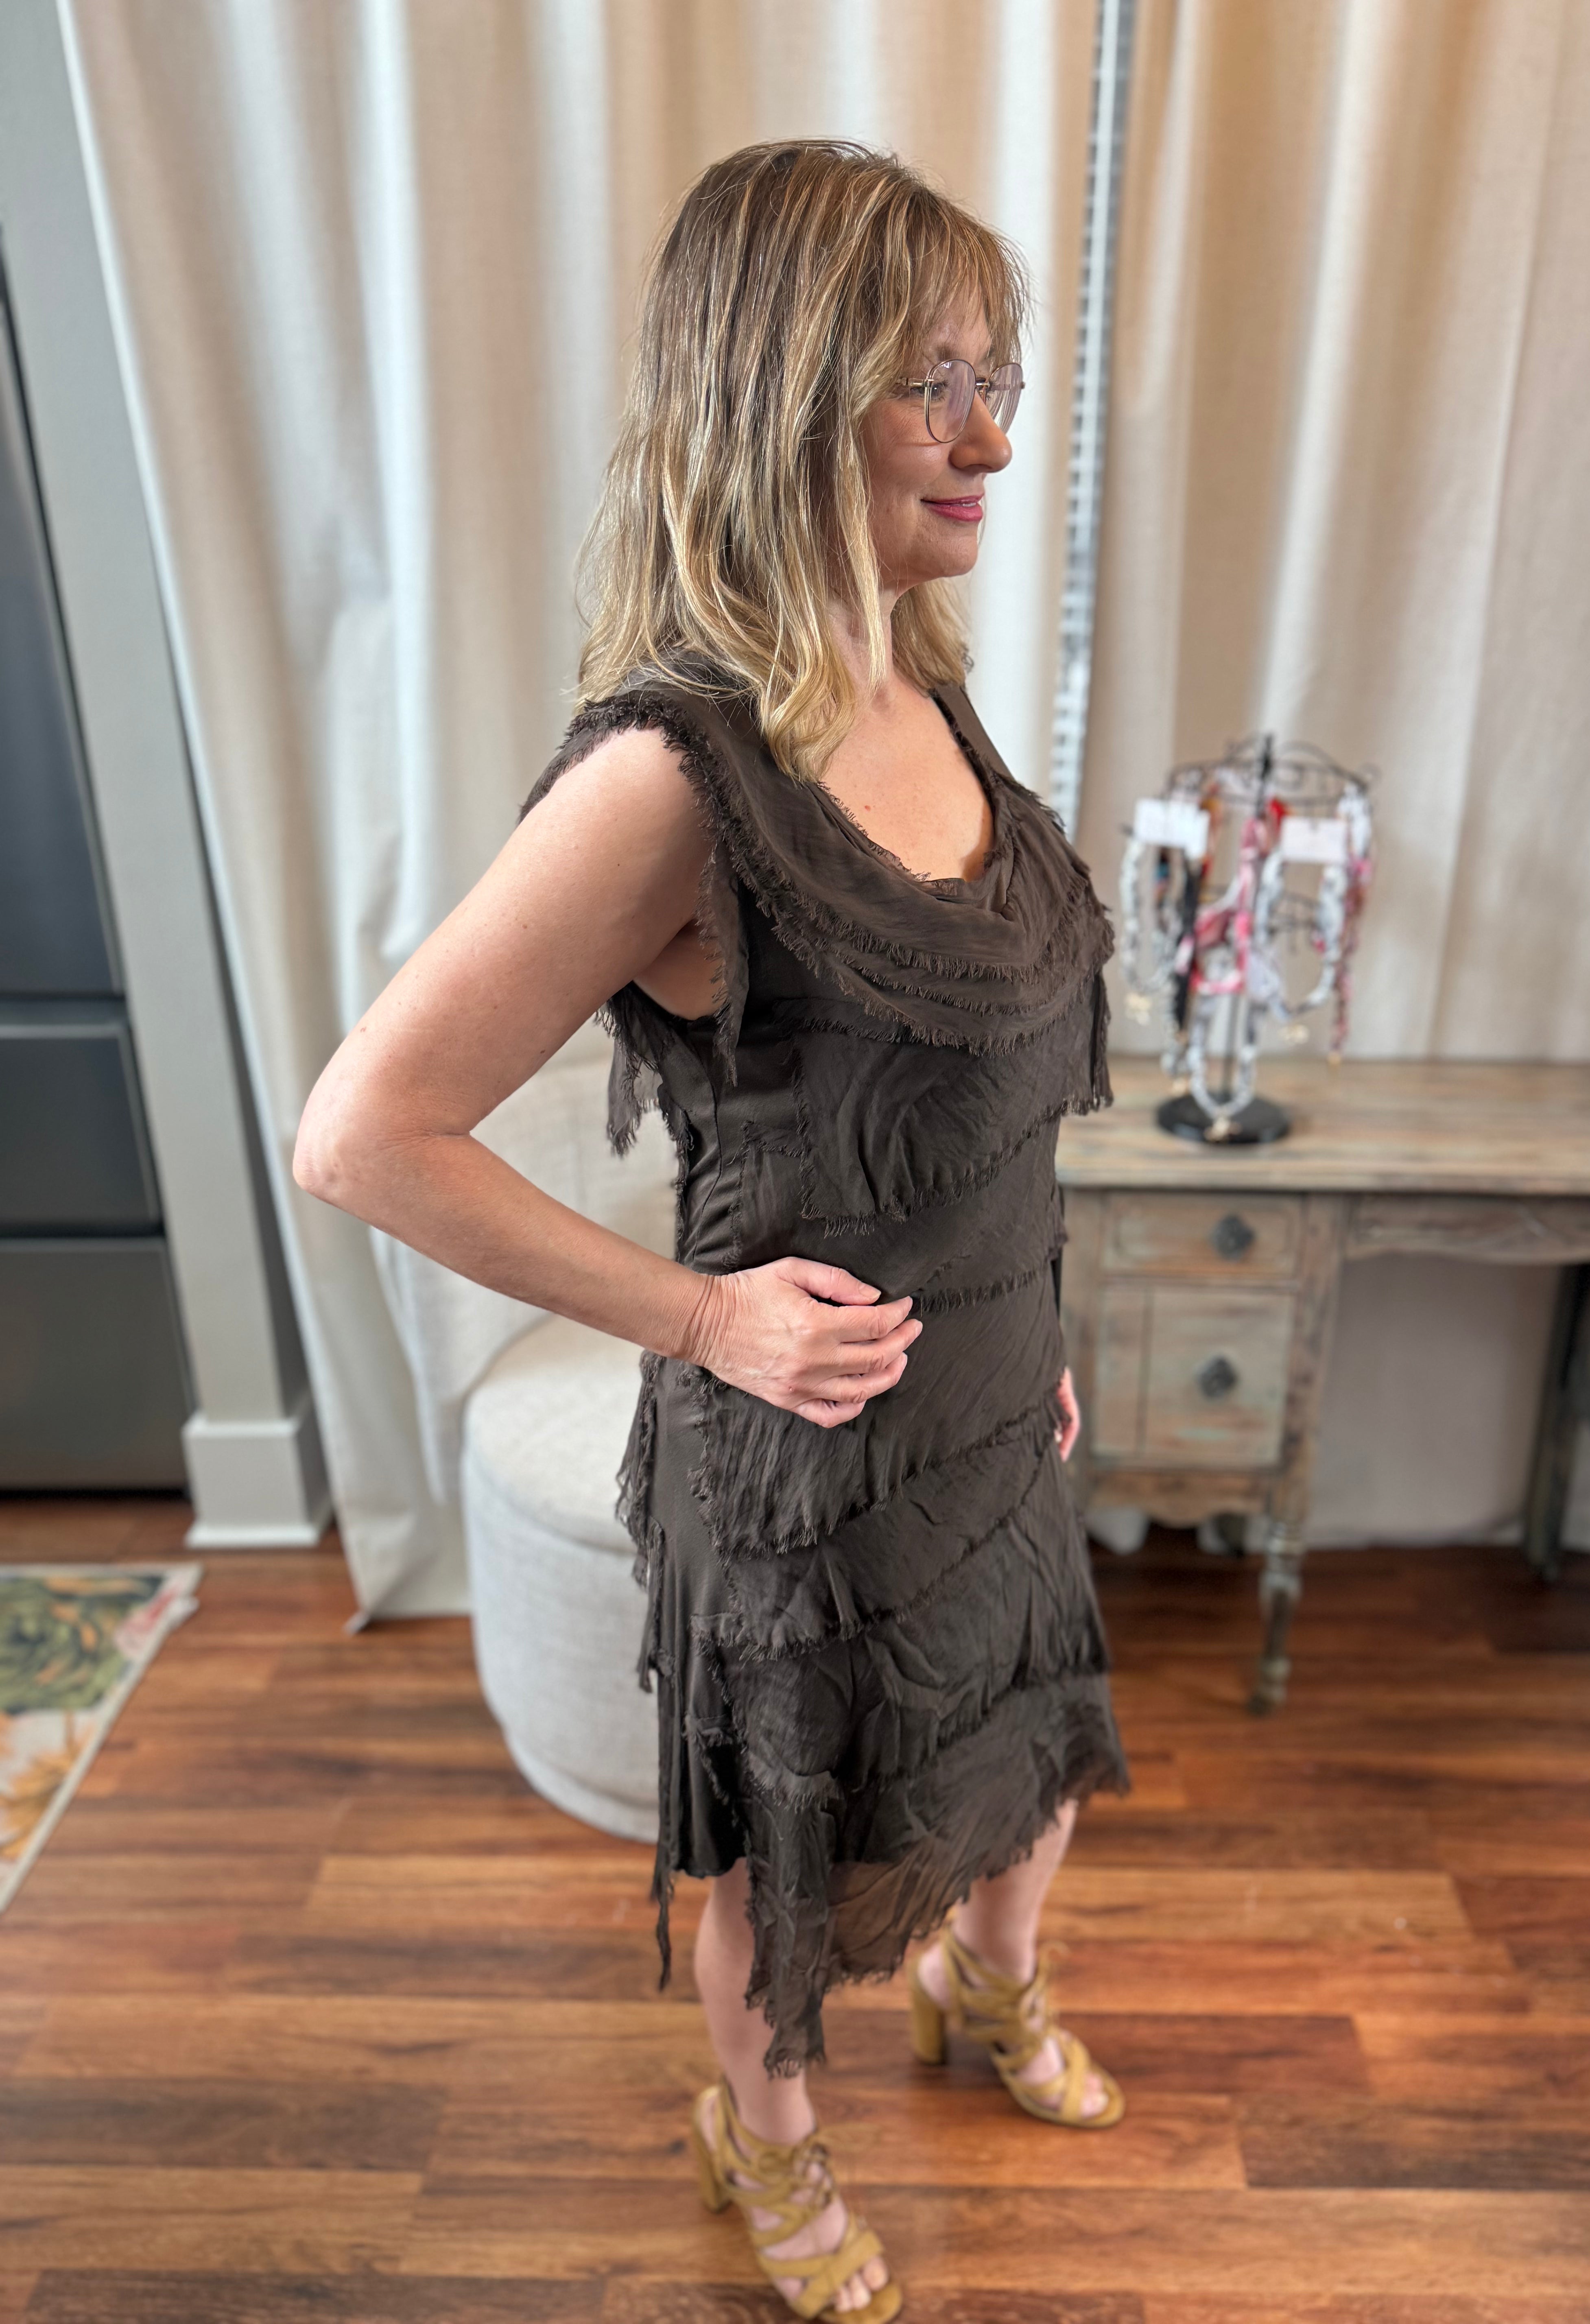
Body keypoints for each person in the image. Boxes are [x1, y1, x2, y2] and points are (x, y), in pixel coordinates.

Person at [296, 139, 1129, 2324]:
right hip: (804, 1458)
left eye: (998, 377)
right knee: (798, 1854)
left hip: (989, 1398)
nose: (990, 435)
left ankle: (989, 1994)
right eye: (934, 382)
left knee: (1030, 1746)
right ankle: (763, 2148)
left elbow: (971, 1107)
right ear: (783, 392)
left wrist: (1025, 1333)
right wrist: (700, 1319)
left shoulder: (925, 684)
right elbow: (364, 1133)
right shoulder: (675, 774)